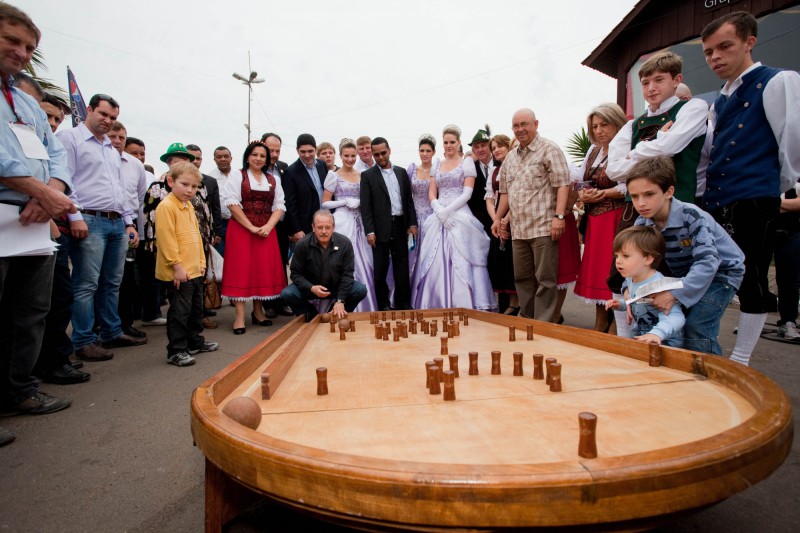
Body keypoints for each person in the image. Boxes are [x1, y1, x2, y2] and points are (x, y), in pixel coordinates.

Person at [701, 11, 800, 365]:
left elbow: (791, 142)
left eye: (724, 47)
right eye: (709, 52)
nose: (715, 57)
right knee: (716, 272)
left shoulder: (776, 81)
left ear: (749, 42)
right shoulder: (720, 100)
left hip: (755, 195)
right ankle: (706, 344)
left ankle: (741, 358)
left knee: (752, 275)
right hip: (719, 199)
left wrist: (774, 188)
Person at [0, 3, 75, 428]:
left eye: (29, 46)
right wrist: (37, 191)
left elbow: (55, 153)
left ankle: (18, 389)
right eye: (12, 40)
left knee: (29, 311)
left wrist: (50, 193)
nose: (23, 52)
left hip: (32, 223)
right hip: (12, 206)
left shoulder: (29, 106)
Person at [605, 51, 709, 337]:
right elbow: (613, 170)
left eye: (659, 80)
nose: (651, 88)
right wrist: (659, 140)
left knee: (676, 276)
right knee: (626, 273)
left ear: (676, 80)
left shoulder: (693, 108)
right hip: (634, 209)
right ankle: (628, 343)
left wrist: (643, 151)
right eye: (646, 82)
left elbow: (671, 147)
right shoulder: (631, 125)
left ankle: (677, 340)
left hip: (677, 205)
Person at [57, 93, 147, 361]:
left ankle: (111, 332)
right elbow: (65, 179)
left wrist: (129, 223)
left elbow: (120, 190)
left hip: (116, 222)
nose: (108, 121)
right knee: (86, 283)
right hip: (89, 219)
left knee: (112, 282)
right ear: (89, 110)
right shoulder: (70, 139)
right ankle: (83, 339)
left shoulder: (109, 147)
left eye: (114, 118)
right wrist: (74, 217)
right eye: (104, 115)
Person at [627, 157, 745, 355]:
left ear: (669, 192)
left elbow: (708, 263)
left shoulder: (691, 216)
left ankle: (710, 377)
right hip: (684, 276)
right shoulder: (643, 224)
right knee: (669, 323)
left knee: (697, 327)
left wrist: (674, 294)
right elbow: (633, 260)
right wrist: (628, 291)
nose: (641, 203)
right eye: (635, 196)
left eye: (649, 194)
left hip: (721, 275)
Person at [492, 108, 570, 322]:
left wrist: (559, 217)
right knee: (522, 278)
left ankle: (544, 323)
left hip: (544, 226)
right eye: (516, 126)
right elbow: (505, 192)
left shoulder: (549, 149)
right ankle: (527, 319)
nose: (520, 129)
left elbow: (563, 184)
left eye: (524, 124)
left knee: (545, 279)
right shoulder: (510, 158)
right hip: (519, 229)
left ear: (536, 124)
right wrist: (498, 219)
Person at [413, 125, 495, 310]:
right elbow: (432, 193)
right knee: (432, 258)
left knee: (464, 257)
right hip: (439, 214)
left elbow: (467, 193)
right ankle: (435, 302)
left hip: (459, 213)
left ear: (458, 142)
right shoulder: (437, 164)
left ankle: (466, 303)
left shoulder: (466, 163)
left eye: (452, 142)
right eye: (446, 142)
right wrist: (438, 210)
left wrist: (447, 211)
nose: (449, 145)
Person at [154, 162, 219, 367]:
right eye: (185, 184)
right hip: (179, 272)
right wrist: (177, 267)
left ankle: (194, 342)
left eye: (194, 186)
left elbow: (197, 238)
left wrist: (201, 262)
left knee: (195, 310)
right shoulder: (166, 206)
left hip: (194, 270)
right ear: (171, 181)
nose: (190, 190)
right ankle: (176, 350)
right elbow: (166, 240)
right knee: (179, 312)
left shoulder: (189, 205)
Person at [221, 140, 287, 334]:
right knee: (241, 270)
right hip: (242, 228)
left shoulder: (273, 179)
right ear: (248, 157)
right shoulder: (237, 175)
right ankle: (240, 316)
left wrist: (268, 226)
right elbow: (231, 202)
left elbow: (279, 205)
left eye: (262, 156)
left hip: (266, 230)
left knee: (261, 269)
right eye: (255, 155)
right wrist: (250, 226)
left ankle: (258, 312)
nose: (259, 159)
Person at [573, 103, 629, 331]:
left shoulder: (626, 148)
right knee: (598, 271)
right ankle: (600, 322)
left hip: (617, 218)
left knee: (614, 269)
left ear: (617, 123)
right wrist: (582, 194)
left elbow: (629, 186)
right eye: (594, 126)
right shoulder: (593, 151)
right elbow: (581, 180)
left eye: (604, 124)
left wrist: (602, 193)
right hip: (595, 220)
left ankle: (617, 327)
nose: (599, 130)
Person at [360, 136, 417, 310]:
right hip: (379, 229)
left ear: (389, 150)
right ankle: (383, 305)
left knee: (402, 269)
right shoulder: (368, 176)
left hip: (401, 225)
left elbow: (408, 200)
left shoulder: (401, 172)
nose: (380, 157)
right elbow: (366, 206)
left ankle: (403, 304)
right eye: (376, 154)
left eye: (383, 153)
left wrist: (412, 224)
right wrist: (369, 231)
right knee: (380, 271)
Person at [280, 210, 368, 321]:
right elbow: (296, 274)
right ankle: (311, 315)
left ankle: (334, 313)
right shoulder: (302, 244)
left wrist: (340, 301)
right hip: (311, 287)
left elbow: (347, 274)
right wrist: (311, 287)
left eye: (328, 227)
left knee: (360, 290)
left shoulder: (345, 243)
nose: (324, 231)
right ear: (313, 227)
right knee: (287, 294)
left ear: (334, 227)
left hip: (335, 287)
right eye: (320, 227)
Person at [320, 138, 376, 311]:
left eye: (353, 156)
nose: (350, 159)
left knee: (365, 260)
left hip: (360, 221)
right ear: (341, 156)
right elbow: (325, 203)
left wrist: (359, 202)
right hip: (343, 220)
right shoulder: (333, 176)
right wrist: (343, 202)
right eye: (346, 156)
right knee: (342, 260)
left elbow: (369, 200)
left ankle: (364, 304)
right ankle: (337, 302)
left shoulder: (362, 175)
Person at [605, 226, 685, 347]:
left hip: (665, 343)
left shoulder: (659, 285)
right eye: (617, 256)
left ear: (647, 259)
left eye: (625, 256)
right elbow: (639, 301)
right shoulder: (631, 279)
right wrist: (621, 304)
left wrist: (657, 334)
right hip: (641, 336)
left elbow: (677, 317)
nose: (618, 261)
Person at [108, 121, 149, 339]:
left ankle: (123, 325)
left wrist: (137, 230)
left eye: (121, 137)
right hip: (97, 219)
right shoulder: (100, 159)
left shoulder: (134, 165)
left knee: (124, 280)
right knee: (94, 283)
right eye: (112, 136)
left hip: (129, 224)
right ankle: (100, 329)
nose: (116, 141)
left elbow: (140, 199)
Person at [186, 143, 221, 329]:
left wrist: (215, 232)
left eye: (198, 158)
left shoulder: (208, 181)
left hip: (204, 237)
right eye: (190, 157)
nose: (194, 161)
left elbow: (214, 209)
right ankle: (191, 318)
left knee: (203, 275)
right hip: (184, 239)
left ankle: (202, 313)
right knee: (188, 281)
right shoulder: (173, 181)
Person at [485, 134, 519, 314]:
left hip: (515, 214)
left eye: (500, 146)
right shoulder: (494, 171)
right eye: (494, 147)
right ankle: (507, 303)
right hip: (498, 216)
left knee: (514, 261)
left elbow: (518, 196)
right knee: (499, 260)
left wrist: (506, 221)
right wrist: (497, 220)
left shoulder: (517, 167)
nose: (496, 150)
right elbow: (489, 199)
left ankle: (515, 303)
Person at [283, 133, 328, 243]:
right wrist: (297, 229)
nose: (307, 155)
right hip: (305, 227)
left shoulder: (322, 165)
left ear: (316, 149)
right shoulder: (291, 172)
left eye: (310, 151)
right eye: (303, 152)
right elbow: (290, 203)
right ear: (297, 150)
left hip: (325, 221)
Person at [408, 134, 436, 303]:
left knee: (430, 254)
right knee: (414, 256)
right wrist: (410, 222)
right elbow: (407, 197)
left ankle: (427, 295)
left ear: (433, 152)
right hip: (415, 218)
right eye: (421, 150)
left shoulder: (437, 170)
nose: (424, 153)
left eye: (428, 150)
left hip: (432, 217)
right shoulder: (412, 169)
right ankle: (411, 296)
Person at [774, 181, 799, 340]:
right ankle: (751, 318)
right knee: (754, 276)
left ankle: (788, 321)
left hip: (790, 232)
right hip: (764, 229)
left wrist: (770, 205)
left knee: (789, 279)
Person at [467, 128, 495, 237]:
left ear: (490, 146)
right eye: (476, 147)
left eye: (483, 145)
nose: (480, 150)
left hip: (502, 221)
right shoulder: (470, 169)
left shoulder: (501, 164)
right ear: (473, 150)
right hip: (480, 225)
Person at [207, 146, 233, 256]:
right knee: (221, 257)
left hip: (236, 222)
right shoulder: (209, 178)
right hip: (219, 224)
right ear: (214, 159)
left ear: (231, 158)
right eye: (219, 157)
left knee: (236, 255)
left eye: (226, 156)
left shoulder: (239, 175)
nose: (223, 159)